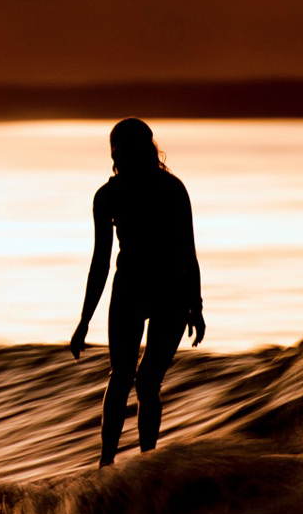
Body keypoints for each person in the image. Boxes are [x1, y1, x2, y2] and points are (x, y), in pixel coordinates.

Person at [70, 118, 205, 468]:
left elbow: (187, 250)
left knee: (143, 381)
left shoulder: (171, 189)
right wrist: (84, 321)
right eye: (120, 150)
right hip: (133, 288)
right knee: (125, 378)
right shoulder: (109, 196)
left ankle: (144, 464)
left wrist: (196, 305)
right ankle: (107, 467)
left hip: (169, 290)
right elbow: (100, 262)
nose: (123, 155)